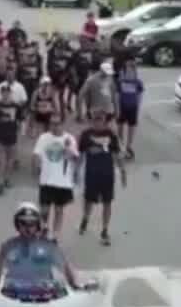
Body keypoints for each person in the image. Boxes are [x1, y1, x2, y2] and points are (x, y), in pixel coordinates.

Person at [77, 110, 127, 246]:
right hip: (91, 174)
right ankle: (85, 218)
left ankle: (105, 230)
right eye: (95, 119)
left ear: (105, 120)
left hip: (107, 174)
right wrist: (75, 172)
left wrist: (122, 171)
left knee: (107, 202)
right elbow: (80, 155)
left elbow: (117, 155)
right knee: (88, 201)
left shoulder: (111, 134)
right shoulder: (86, 135)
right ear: (92, 120)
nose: (98, 121)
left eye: (100, 119)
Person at [33, 114, 78, 241]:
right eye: (52, 123)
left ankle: (55, 234)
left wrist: (68, 149)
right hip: (46, 180)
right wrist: (36, 168)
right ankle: (44, 228)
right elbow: (36, 154)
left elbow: (75, 158)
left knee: (59, 210)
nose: (55, 126)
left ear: (62, 124)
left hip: (63, 181)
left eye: (57, 123)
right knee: (44, 210)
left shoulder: (69, 139)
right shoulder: (43, 138)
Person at [0, 81, 24, 195]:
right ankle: (0, 183)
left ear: (10, 93)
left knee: (10, 160)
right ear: (1, 93)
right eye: (3, 92)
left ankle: (7, 179)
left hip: (12, 135)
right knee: (2, 160)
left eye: (7, 92)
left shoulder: (16, 106)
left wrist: (20, 131)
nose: (5, 95)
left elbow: (20, 120)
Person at [114, 58, 145, 160]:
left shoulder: (138, 83)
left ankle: (129, 146)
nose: (129, 72)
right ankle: (120, 145)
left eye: (132, 70)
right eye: (127, 70)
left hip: (133, 108)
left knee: (131, 128)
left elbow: (140, 96)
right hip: (122, 107)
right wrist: (117, 109)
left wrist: (138, 108)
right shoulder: (120, 82)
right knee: (120, 127)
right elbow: (117, 96)